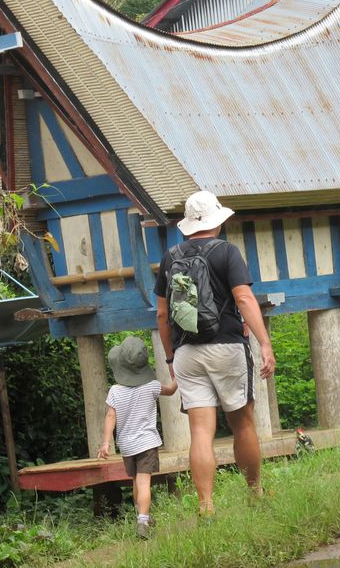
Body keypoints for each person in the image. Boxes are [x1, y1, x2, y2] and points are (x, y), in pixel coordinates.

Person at [154, 190, 276, 517]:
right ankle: (255, 494)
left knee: (200, 432)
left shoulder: (170, 257)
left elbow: (162, 316)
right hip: (226, 347)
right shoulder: (226, 252)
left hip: (187, 354)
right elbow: (245, 300)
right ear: (216, 221)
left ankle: (206, 507)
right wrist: (264, 343)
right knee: (243, 424)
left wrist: (170, 359)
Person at [96, 335, 178, 539]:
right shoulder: (152, 386)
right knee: (144, 483)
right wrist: (178, 375)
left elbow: (110, 415)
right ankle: (143, 520)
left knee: (135, 482)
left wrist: (106, 443)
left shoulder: (115, 390)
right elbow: (171, 389)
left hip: (127, 445)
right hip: (147, 444)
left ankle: (141, 516)